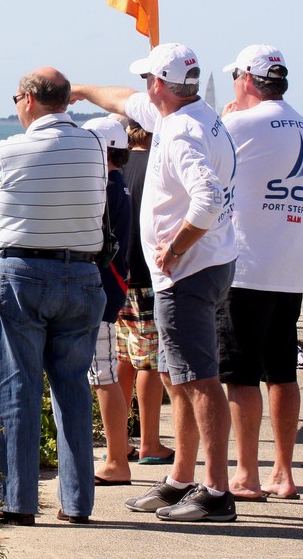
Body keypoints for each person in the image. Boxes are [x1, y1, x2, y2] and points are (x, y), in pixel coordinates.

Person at [71, 42, 239, 522]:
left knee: (200, 380)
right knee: (178, 376)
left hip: (189, 271)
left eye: (150, 78)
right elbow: (123, 99)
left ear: (161, 84)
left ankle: (216, 491)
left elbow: (206, 200)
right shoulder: (190, 113)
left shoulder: (182, 131)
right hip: (203, 267)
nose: (145, 85)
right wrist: (81, 89)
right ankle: (180, 479)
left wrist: (177, 245)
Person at [0, 67, 107, 525]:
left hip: (24, 274)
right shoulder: (93, 144)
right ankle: (76, 503)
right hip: (83, 275)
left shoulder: (12, 148)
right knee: (72, 387)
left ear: (29, 99)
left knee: (15, 385)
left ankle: (16, 501)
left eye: (15, 98)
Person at [216, 44, 303, 501]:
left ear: (248, 79)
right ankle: (284, 473)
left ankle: (247, 474)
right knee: (283, 372)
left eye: (237, 75)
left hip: (247, 268)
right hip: (290, 268)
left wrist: (226, 114)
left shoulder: (240, 123)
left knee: (240, 375)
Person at [115, 118, 173, 465]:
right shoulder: (160, 163)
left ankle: (119, 439)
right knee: (149, 362)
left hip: (118, 274)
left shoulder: (117, 168)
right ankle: (150, 441)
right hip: (150, 274)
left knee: (123, 360)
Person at [81, 116, 134, 487]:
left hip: (99, 290)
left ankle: (117, 459)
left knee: (103, 375)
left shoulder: (103, 187)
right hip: (112, 287)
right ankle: (116, 453)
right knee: (103, 373)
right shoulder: (118, 184)